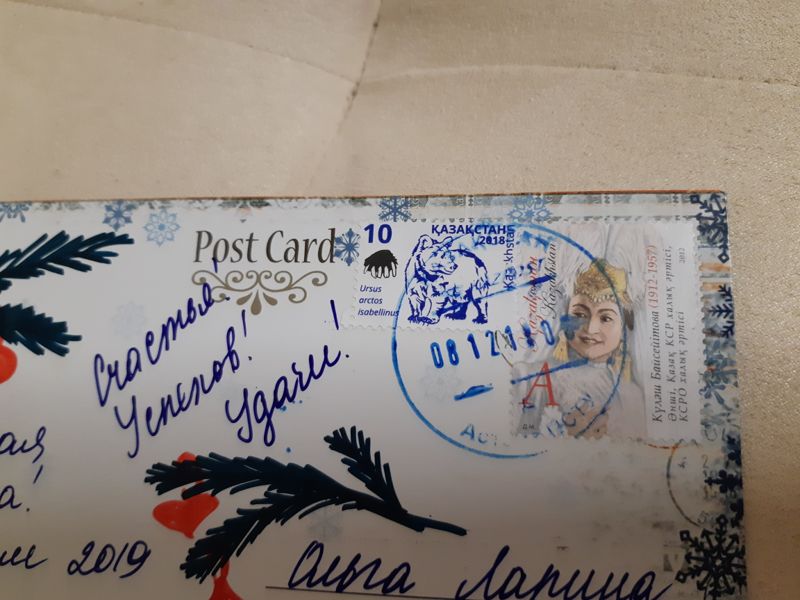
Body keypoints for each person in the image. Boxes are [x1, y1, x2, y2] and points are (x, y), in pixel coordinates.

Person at [515, 259, 645, 440]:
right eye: (580, 314)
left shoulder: (632, 396)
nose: (590, 329)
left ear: (624, 328)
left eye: (606, 318)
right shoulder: (530, 379)